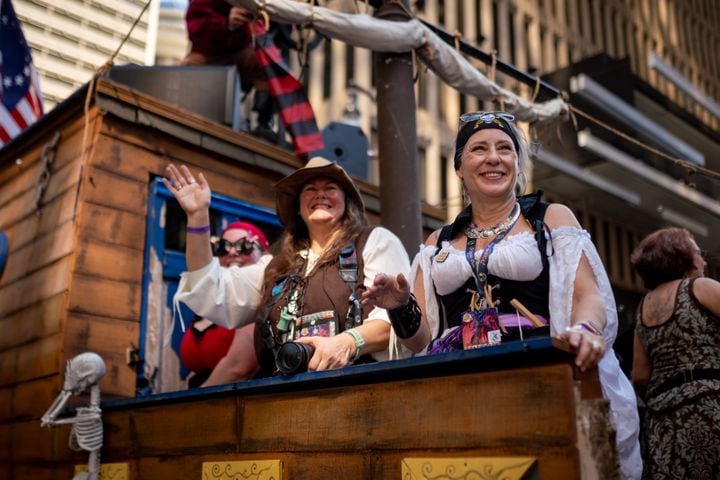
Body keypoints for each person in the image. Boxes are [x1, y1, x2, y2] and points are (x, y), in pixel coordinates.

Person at [362, 111, 642, 479]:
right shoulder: (437, 242)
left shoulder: (550, 219)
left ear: (517, 163)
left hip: (536, 370)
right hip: (457, 381)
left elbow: (588, 296)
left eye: (505, 149)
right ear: (460, 167)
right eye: (479, 149)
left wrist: (586, 328)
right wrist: (399, 307)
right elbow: (422, 340)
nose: (494, 157)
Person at [165, 157, 410, 375]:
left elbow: (396, 322)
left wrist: (347, 342)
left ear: (347, 202)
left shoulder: (375, 242)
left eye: (330, 188)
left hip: (356, 394)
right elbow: (210, 289)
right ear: (298, 207)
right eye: (310, 189)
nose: (320, 194)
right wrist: (197, 217)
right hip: (280, 402)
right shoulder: (275, 265)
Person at [630, 228, 720, 479]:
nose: (704, 260)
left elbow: (639, 376)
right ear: (684, 258)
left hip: (662, 418)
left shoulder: (643, 308)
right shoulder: (700, 287)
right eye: (699, 253)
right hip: (710, 404)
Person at [178, 221, 270, 387]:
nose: (233, 252)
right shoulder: (213, 302)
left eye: (245, 245)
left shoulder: (259, 298)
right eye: (223, 246)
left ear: (264, 254)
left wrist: (189, 403)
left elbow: (238, 368)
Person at [181, 0, 274, 134]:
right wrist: (227, 23)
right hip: (205, 54)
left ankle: (263, 124)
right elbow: (196, 30)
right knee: (189, 68)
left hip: (236, 54)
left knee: (265, 63)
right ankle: (187, 117)